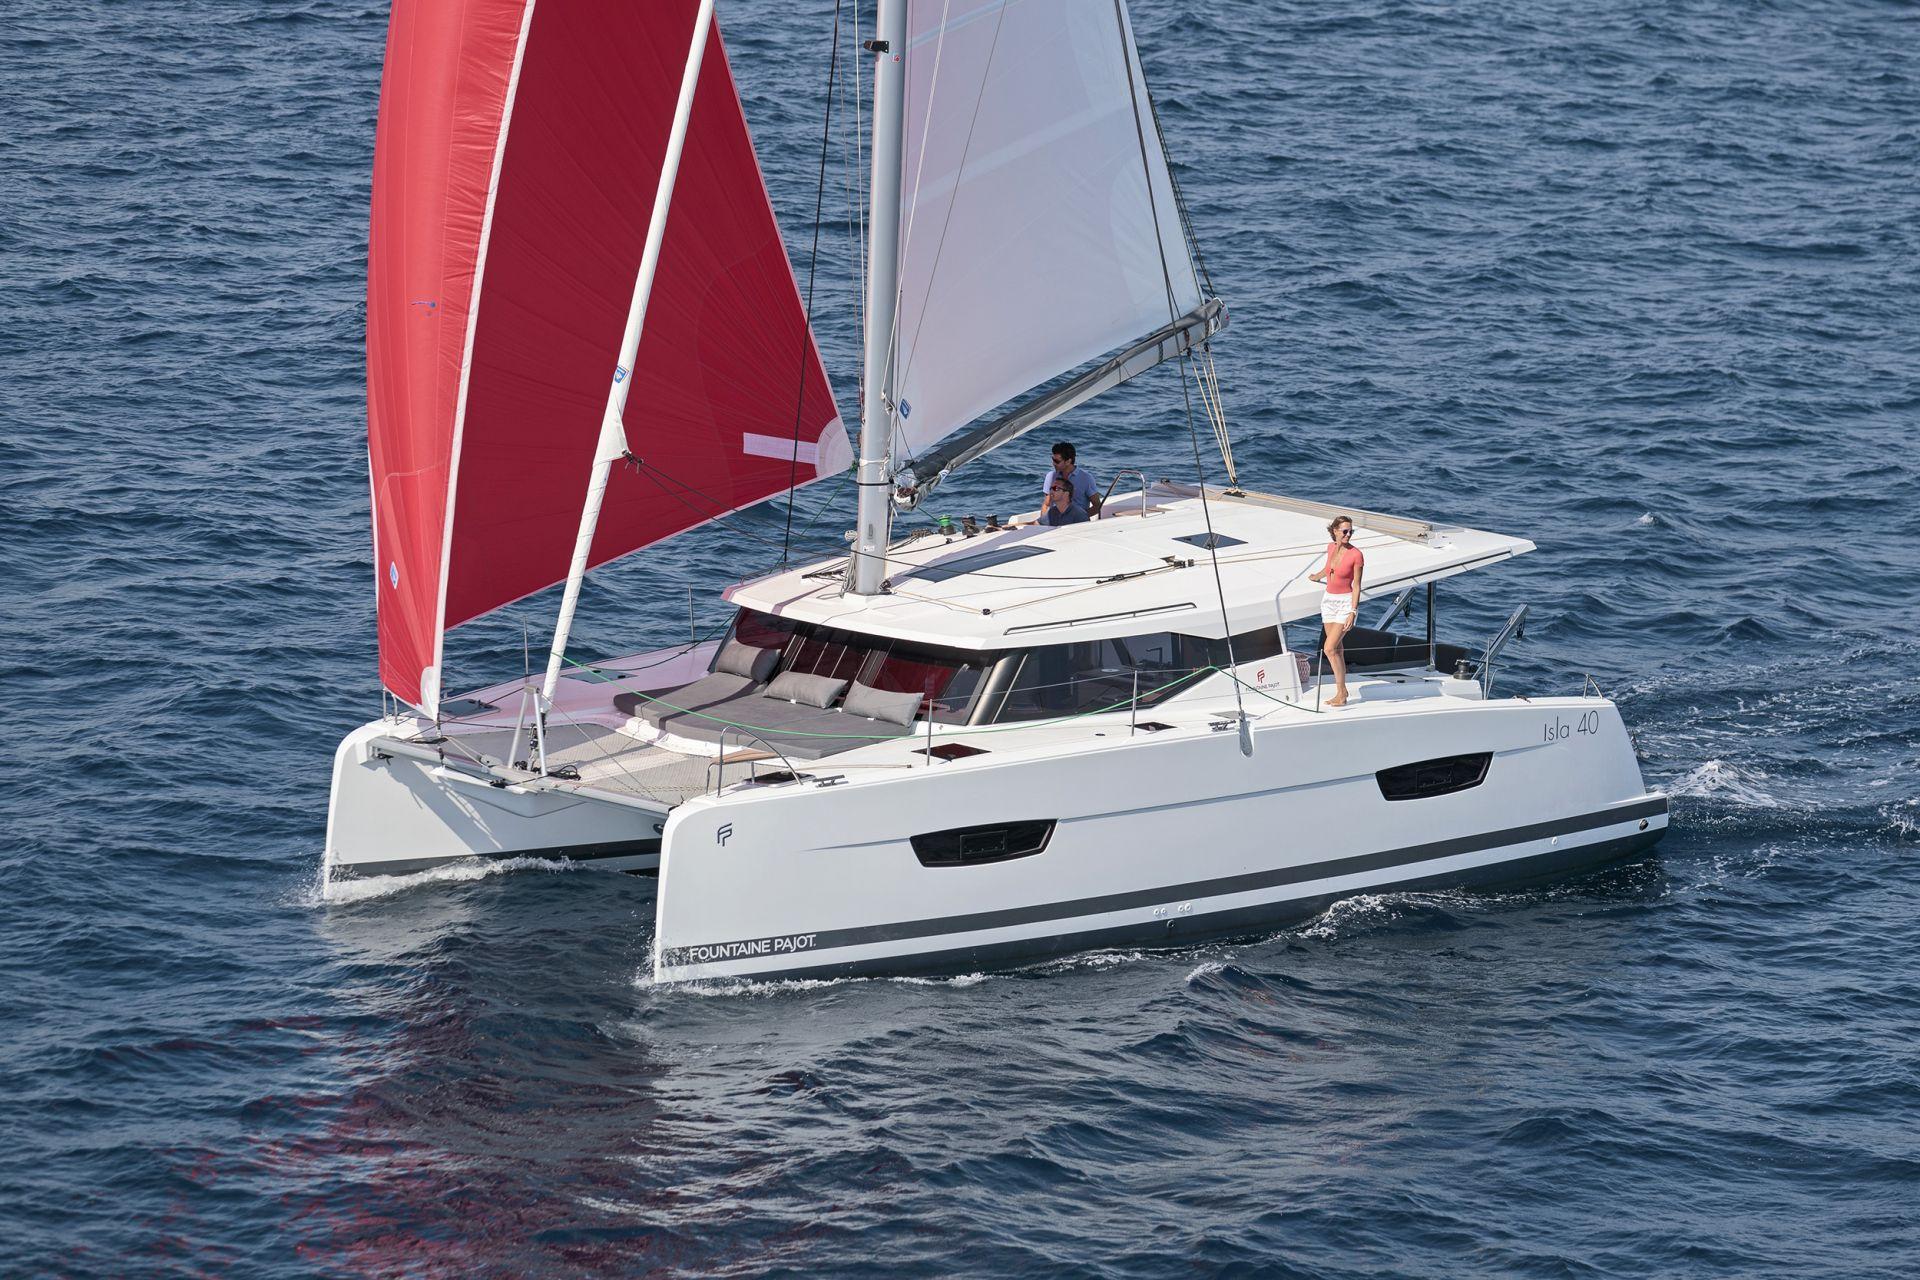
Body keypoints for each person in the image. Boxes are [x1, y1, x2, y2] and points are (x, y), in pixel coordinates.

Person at [1307, 514, 1364, 706]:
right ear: (1335, 531)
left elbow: (1357, 585)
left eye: (1351, 532)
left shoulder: (1356, 555)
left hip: (1345, 604)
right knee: (1337, 650)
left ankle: (1342, 691)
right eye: (1345, 531)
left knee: (1329, 648)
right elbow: (1328, 568)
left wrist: (1353, 611)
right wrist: (1316, 576)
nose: (1348, 535)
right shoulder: (1331, 547)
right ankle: (1341, 692)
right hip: (1329, 601)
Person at [1040, 441, 1098, 521]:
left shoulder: (1086, 478)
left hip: (1078, 524)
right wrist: (1044, 523)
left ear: (1068, 461)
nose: (1053, 463)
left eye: (1057, 461)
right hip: (1056, 523)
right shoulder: (1050, 476)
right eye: (1053, 459)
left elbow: (1097, 506)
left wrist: (1078, 517)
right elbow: (1046, 504)